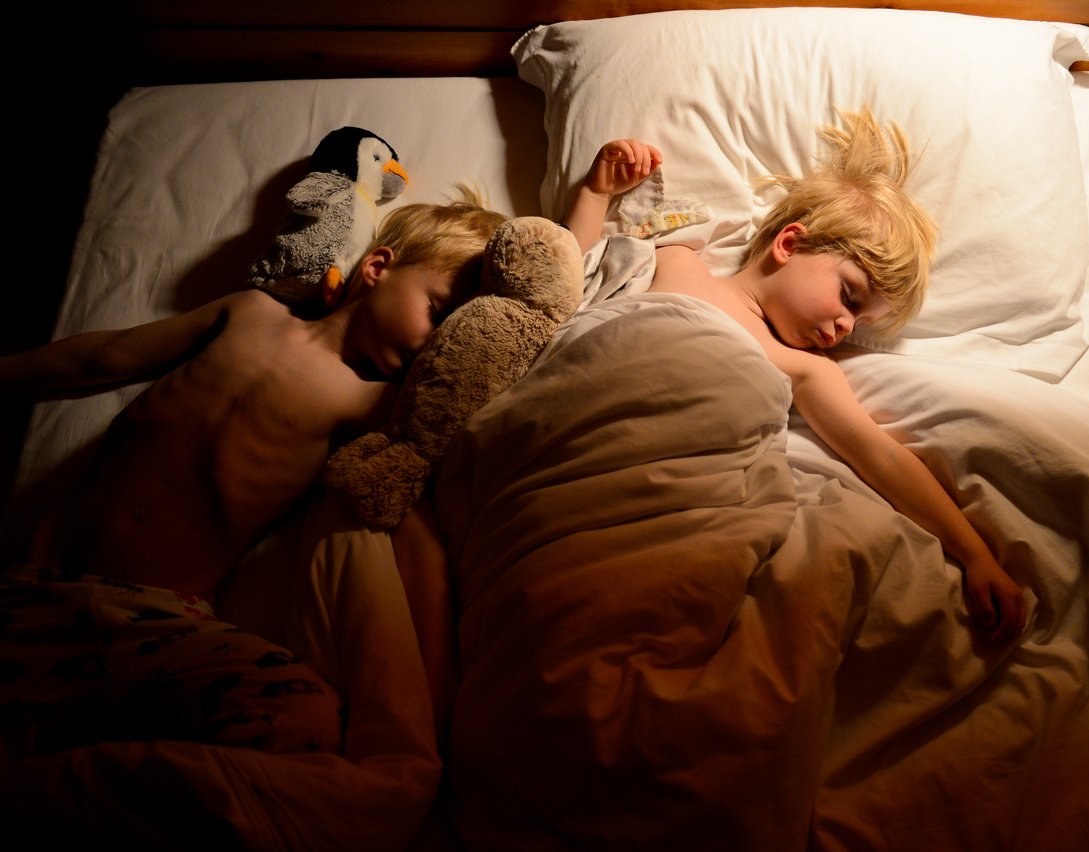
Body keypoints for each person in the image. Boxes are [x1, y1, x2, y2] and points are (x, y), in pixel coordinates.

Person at [0, 189, 506, 756]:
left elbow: (525, 309)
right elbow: (108, 355)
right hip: (37, 581)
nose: (434, 347)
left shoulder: (375, 405)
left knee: (301, 715)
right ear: (378, 267)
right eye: (438, 314)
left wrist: (589, 203)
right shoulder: (249, 312)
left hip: (157, 619)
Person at [564, 112, 1026, 642]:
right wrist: (596, 194)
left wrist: (975, 555)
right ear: (789, 243)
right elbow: (566, 283)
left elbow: (883, 456)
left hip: (678, 495)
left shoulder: (808, 370)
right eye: (849, 297)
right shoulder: (674, 261)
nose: (844, 328)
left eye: (860, 324)